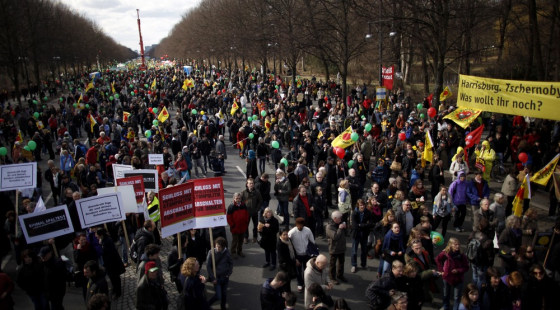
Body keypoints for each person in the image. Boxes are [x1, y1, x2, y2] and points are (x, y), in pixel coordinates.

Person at [436, 238, 470, 310]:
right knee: (446, 294)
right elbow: (438, 259)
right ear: (450, 245)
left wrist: (458, 270)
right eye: (455, 244)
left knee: (457, 297)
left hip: (458, 278)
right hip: (447, 277)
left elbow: (466, 267)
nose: (457, 246)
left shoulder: (461, 255)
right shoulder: (445, 253)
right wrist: (441, 270)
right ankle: (446, 307)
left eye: (458, 244)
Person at [95, 228, 125, 299]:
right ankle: (115, 290)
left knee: (115, 278)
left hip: (112, 263)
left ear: (101, 235)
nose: (96, 236)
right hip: (109, 264)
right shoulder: (104, 240)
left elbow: (107, 252)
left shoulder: (107, 241)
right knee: (113, 278)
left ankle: (118, 292)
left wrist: (101, 246)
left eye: (97, 235)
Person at [288, 217, 315, 292]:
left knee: (307, 270)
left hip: (307, 254)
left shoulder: (308, 230)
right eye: (298, 225)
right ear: (296, 224)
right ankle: (300, 283)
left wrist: (312, 252)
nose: (300, 227)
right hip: (298, 255)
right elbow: (288, 243)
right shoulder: (292, 232)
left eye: (301, 225)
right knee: (298, 271)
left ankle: (307, 283)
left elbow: (312, 241)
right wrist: (293, 256)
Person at [207, 237, 233, 310]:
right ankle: (207, 304)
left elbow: (231, 263)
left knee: (224, 294)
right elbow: (208, 266)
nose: (217, 248)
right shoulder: (211, 252)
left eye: (219, 247)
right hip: (216, 278)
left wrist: (229, 273)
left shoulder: (227, 252)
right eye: (216, 246)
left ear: (223, 247)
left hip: (225, 277)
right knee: (218, 296)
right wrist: (212, 277)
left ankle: (223, 307)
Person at [40, 245, 67, 310]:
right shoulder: (43, 264)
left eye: (44, 256)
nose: (42, 258)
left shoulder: (58, 263)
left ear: (50, 254)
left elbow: (62, 278)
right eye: (42, 256)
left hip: (56, 293)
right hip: (48, 292)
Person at [351, 199, 374, 273]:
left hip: (364, 234)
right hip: (356, 234)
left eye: (363, 205)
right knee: (354, 251)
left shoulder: (368, 213)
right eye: (361, 205)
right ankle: (354, 265)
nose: (362, 206)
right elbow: (354, 225)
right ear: (358, 205)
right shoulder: (354, 213)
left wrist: (361, 225)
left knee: (364, 250)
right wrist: (364, 225)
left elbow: (370, 224)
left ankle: (363, 264)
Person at [326, 211, 347, 285]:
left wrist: (344, 228)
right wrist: (340, 228)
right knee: (333, 264)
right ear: (335, 219)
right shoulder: (329, 227)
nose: (341, 219)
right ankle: (332, 278)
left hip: (341, 247)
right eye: (339, 218)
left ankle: (340, 275)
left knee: (341, 263)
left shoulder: (339, 223)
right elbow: (335, 237)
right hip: (334, 248)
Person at [227, 192, 249, 258]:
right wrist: (232, 225)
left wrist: (246, 222)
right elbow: (228, 217)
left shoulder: (243, 205)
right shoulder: (231, 206)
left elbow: (246, 215)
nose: (238, 200)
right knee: (235, 241)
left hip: (242, 227)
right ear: (234, 198)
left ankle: (239, 251)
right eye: (237, 198)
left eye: (239, 198)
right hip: (235, 227)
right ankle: (233, 252)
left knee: (241, 241)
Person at [241, 178, 263, 244]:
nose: (251, 185)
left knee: (255, 225)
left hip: (254, 212)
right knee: (245, 225)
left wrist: (257, 209)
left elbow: (260, 201)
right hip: (246, 213)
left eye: (252, 183)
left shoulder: (257, 192)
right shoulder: (243, 193)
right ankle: (245, 237)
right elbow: (241, 202)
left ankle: (255, 237)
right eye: (250, 183)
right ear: (247, 184)